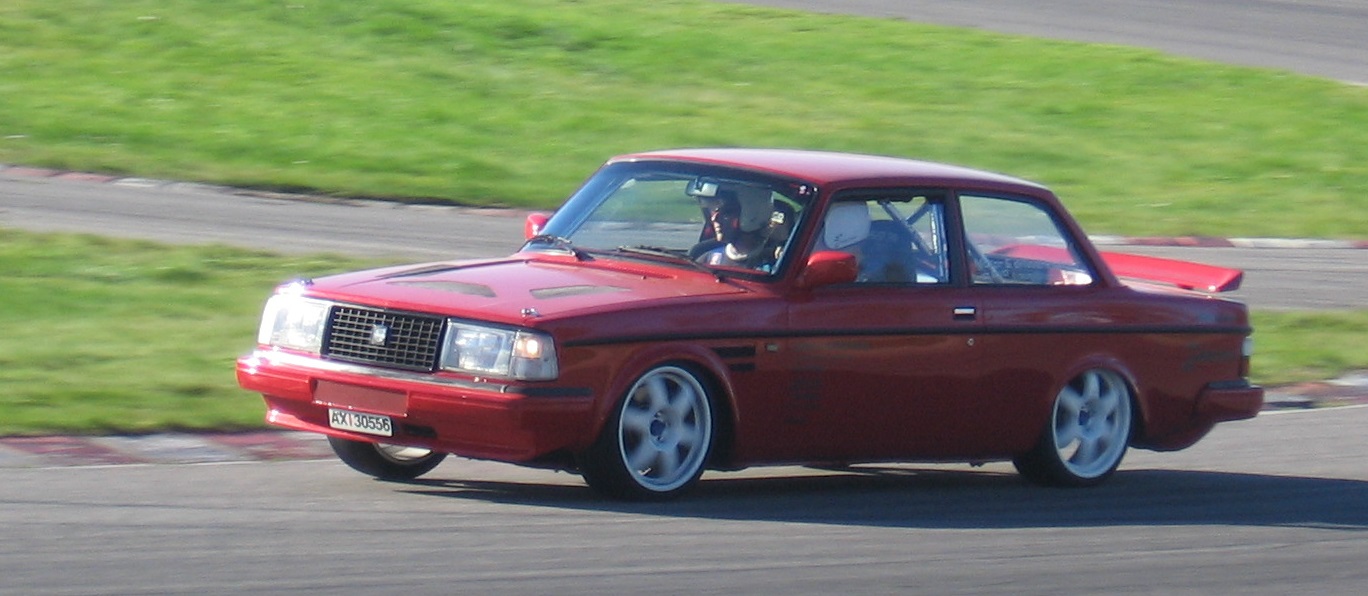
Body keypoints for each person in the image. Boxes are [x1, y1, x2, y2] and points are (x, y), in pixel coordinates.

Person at [693, 185, 785, 271]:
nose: (714, 219)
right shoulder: (706, 258)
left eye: (726, 213)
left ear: (752, 215)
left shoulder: (777, 266)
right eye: (713, 212)